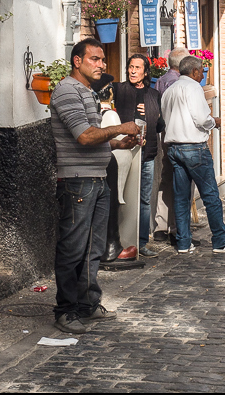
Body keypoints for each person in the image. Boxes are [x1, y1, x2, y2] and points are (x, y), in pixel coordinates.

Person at [49, 38, 140, 335]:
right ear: (77, 61)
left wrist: (117, 142)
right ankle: (65, 310)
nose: (102, 64)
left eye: (102, 59)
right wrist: (121, 127)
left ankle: (87, 304)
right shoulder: (66, 91)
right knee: (73, 248)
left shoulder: (88, 91)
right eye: (95, 59)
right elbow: (85, 137)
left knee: (93, 248)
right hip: (78, 181)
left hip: (97, 178)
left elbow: (95, 138)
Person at [161, 55, 225, 255]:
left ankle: (183, 242)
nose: (202, 75)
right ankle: (221, 240)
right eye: (201, 71)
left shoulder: (169, 90)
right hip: (194, 148)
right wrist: (213, 122)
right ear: (194, 71)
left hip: (174, 148)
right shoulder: (193, 88)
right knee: (210, 196)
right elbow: (200, 118)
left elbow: (165, 117)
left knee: (181, 198)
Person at [113, 54, 164, 259]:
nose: (133, 71)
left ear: (145, 71)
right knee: (121, 196)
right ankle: (120, 241)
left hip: (148, 153)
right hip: (125, 151)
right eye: (130, 67)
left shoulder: (153, 94)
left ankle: (141, 242)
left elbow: (160, 126)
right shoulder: (119, 90)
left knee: (144, 199)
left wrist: (153, 114)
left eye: (137, 68)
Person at [153, 47, 190, 244]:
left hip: (165, 134)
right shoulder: (181, 84)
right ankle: (178, 229)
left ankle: (161, 225)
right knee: (181, 180)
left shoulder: (160, 80)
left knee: (166, 178)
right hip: (180, 135)